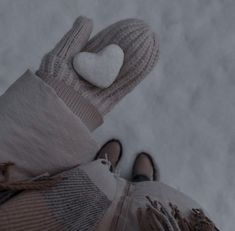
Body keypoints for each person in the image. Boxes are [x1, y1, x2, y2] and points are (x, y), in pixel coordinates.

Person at [0, 16, 219, 230]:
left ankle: (108, 173)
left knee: (104, 187)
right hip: (165, 215)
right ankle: (138, 182)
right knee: (145, 197)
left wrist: (46, 117)